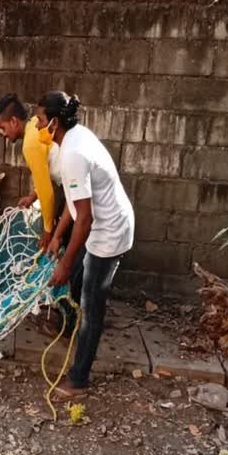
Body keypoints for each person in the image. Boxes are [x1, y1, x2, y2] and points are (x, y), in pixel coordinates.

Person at [40, 91, 135, 401]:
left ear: (54, 123)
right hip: (98, 225)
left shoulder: (72, 156)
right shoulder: (76, 138)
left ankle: (79, 379)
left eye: (41, 120)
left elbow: (85, 217)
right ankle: (71, 331)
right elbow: (75, 202)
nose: (38, 126)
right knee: (81, 285)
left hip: (108, 232)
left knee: (92, 304)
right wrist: (57, 237)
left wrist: (65, 265)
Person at [0, 94, 60, 251]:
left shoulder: (30, 144)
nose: (3, 134)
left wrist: (48, 231)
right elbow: (45, 173)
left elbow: (47, 193)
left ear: (14, 122)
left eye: (3, 127)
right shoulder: (36, 124)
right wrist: (33, 196)